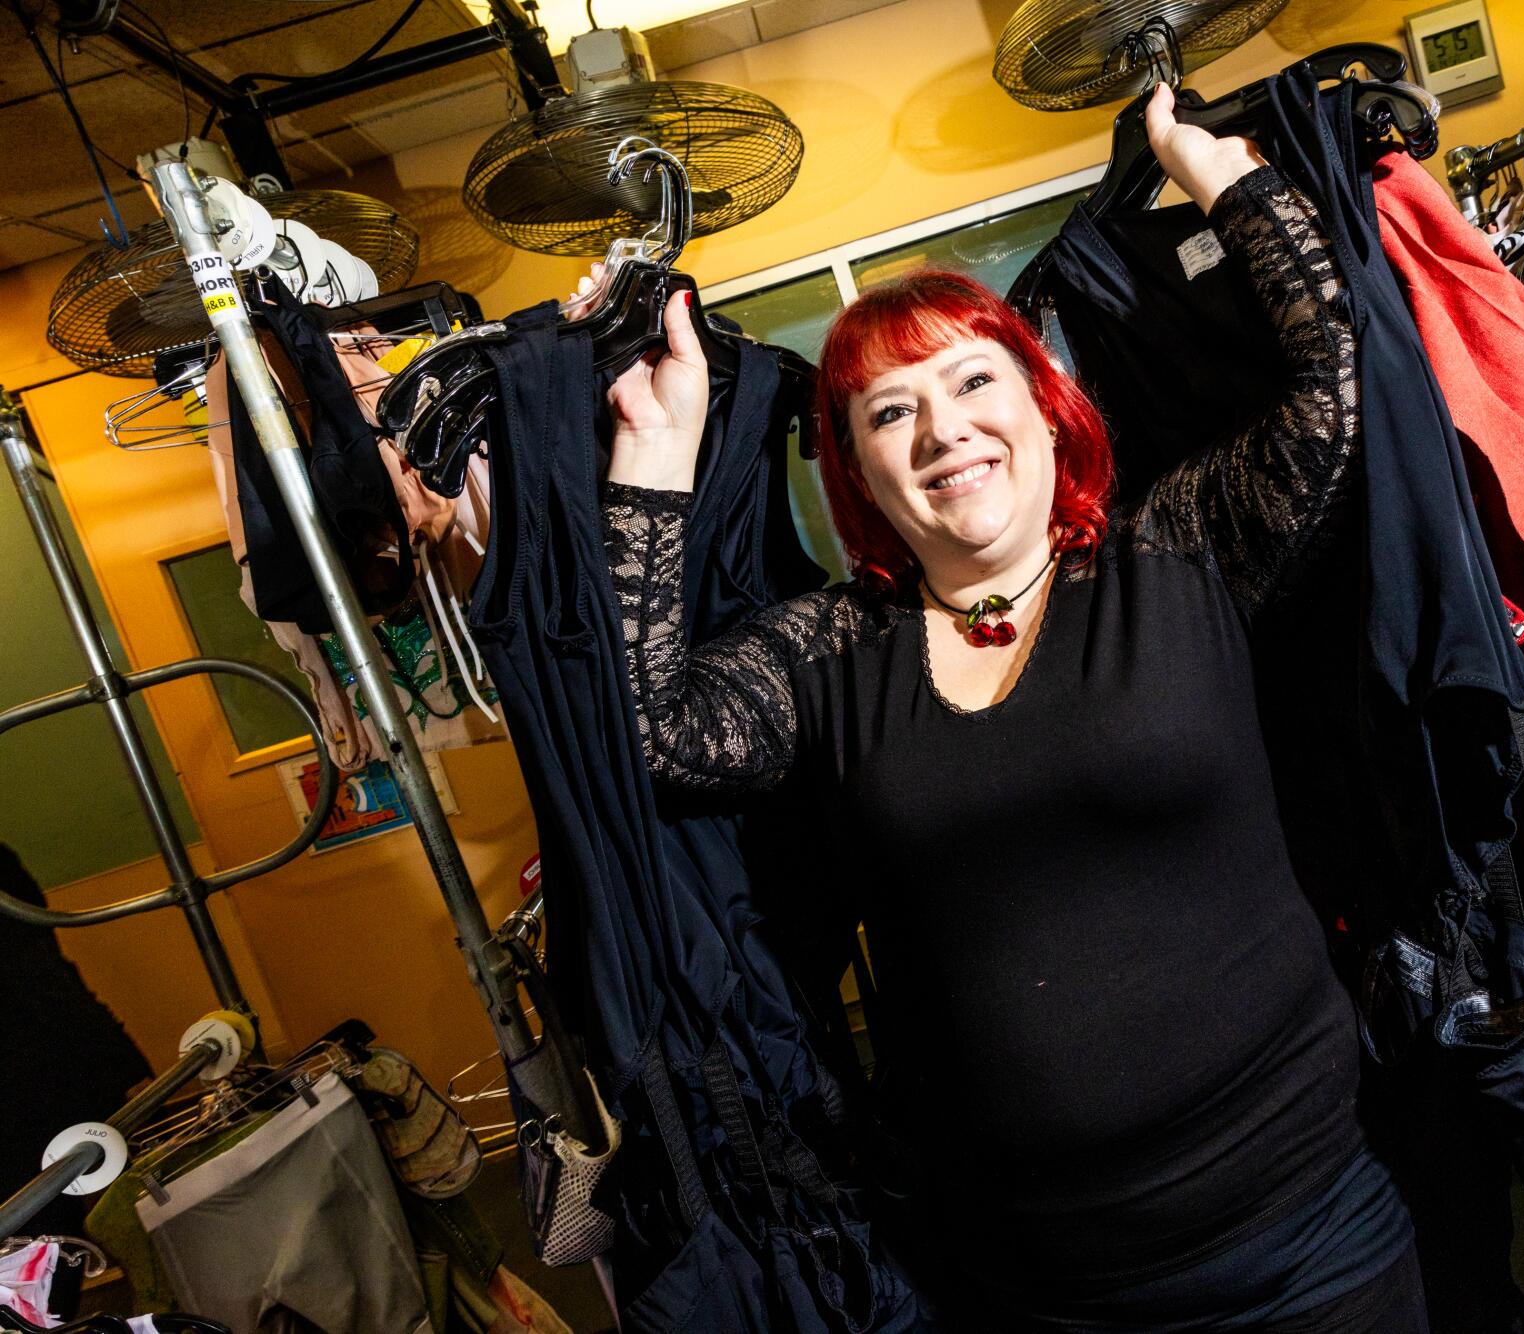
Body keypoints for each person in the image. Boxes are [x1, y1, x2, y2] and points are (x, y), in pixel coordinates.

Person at [581, 86, 1425, 1332]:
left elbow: (1335, 383)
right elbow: (644, 727)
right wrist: (654, 462)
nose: (943, 430)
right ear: (858, 467)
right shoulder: (833, 648)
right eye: (888, 412)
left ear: (1043, 403)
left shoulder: (1179, 551)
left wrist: (1219, 176)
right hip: (1034, 1287)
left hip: (1305, 1236)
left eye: (973, 381)